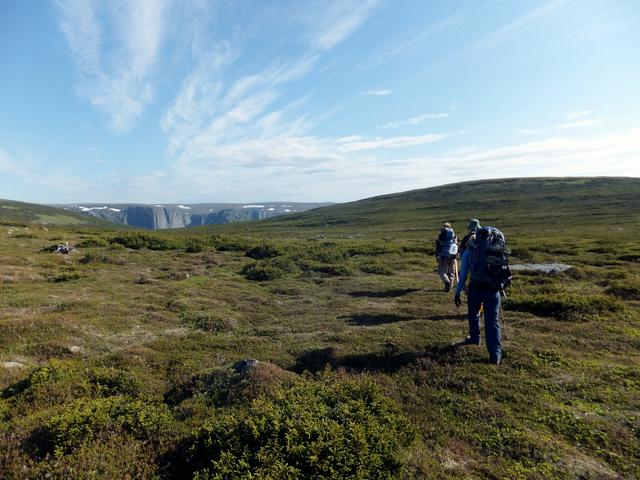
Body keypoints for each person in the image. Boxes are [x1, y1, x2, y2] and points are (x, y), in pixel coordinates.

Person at [454, 226, 505, 364]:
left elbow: (463, 276)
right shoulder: (496, 249)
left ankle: (475, 339)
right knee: (492, 321)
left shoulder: (469, 253)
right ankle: (495, 355)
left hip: (475, 289)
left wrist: (457, 293)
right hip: (492, 290)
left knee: (473, 314)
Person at [435, 222, 458, 292]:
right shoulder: (454, 236)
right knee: (451, 272)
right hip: (452, 255)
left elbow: (438, 247)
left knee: (441, 271)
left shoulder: (441, 237)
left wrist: (437, 255)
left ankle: (446, 282)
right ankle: (449, 287)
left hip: (443, 255)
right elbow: (456, 245)